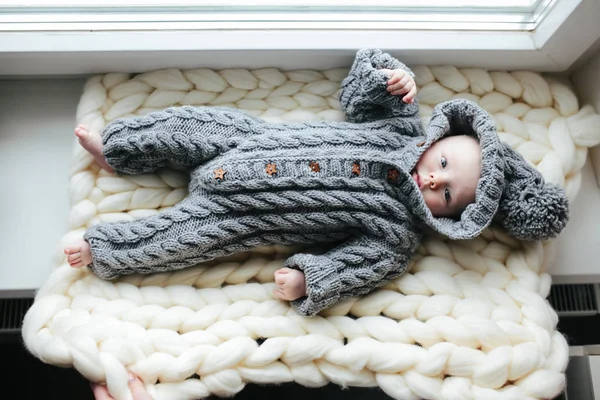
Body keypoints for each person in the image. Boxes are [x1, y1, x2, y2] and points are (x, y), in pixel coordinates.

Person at [63, 48, 569, 317]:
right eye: (441, 162)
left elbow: (356, 267)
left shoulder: (397, 237)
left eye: (446, 193)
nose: (432, 178)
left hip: (241, 220)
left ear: (455, 217)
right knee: (189, 125)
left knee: (176, 241)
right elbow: (360, 91)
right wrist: (390, 77)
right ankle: (117, 150)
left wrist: (312, 279)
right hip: (246, 143)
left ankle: (101, 249)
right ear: (439, 136)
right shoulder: (399, 126)